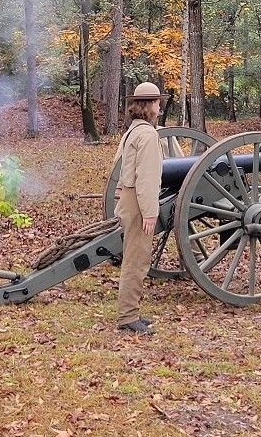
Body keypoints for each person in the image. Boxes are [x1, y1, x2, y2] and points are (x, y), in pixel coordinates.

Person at [113, 82, 167, 334]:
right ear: (149, 106)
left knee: (134, 258)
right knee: (137, 260)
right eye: (157, 102)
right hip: (138, 201)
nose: (160, 106)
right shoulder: (148, 135)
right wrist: (150, 211)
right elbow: (147, 177)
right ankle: (127, 317)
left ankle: (131, 311)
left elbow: (118, 167)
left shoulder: (132, 132)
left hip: (128, 197)